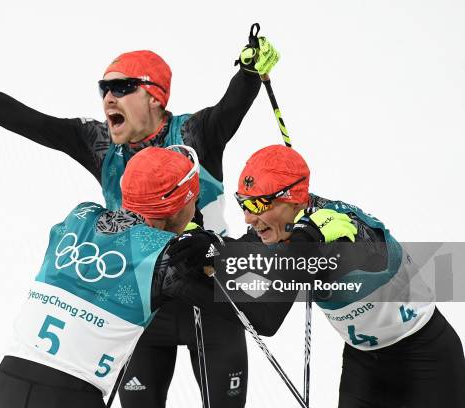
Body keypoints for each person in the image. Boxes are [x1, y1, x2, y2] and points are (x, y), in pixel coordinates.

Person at [0, 29, 280, 407]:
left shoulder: (196, 133)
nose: (109, 97)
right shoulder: (99, 145)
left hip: (208, 286)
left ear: (155, 97)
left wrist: (249, 70)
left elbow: (234, 103)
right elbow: (27, 120)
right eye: (104, 89)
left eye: (123, 87)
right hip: (144, 298)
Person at [0, 146, 294, 408]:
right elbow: (263, 317)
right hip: (69, 398)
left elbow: (130, 232)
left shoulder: (81, 215)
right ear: (181, 206)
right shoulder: (166, 262)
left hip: (4, 385)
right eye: (193, 199)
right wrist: (217, 253)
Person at [167, 145, 465, 408]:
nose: (248, 217)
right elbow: (249, 262)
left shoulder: (329, 227)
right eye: (243, 203)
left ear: (292, 199)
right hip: (364, 363)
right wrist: (209, 247)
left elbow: (266, 313)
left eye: (258, 205)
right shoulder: (281, 229)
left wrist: (195, 277)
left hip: (425, 356)